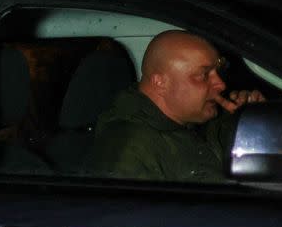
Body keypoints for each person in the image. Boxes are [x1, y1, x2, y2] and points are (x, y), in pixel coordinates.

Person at [84, 30, 265, 182]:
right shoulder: (128, 149)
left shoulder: (193, 125)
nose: (220, 84)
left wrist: (247, 118)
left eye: (217, 73)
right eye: (204, 75)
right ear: (160, 82)